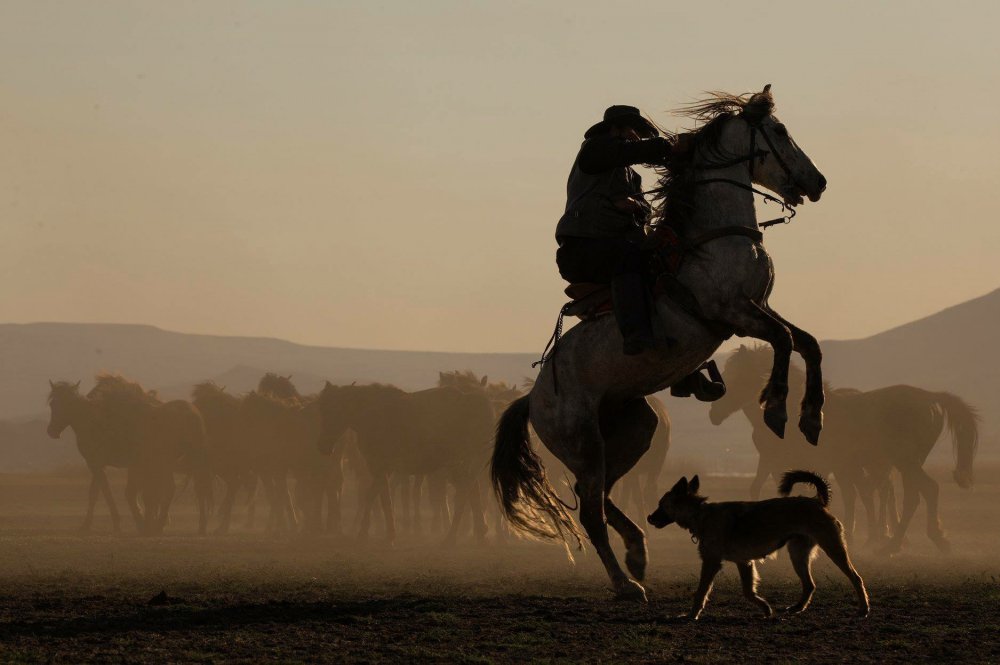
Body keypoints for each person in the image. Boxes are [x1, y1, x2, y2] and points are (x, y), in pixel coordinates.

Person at [555, 105, 725, 400]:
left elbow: (640, 208)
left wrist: (638, 207)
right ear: (617, 129)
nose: (638, 139)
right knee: (632, 259)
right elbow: (627, 153)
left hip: (613, 245)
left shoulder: (630, 176)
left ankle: (683, 372)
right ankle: (637, 335)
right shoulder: (594, 150)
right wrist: (668, 147)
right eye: (636, 132)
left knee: (668, 271)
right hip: (584, 248)